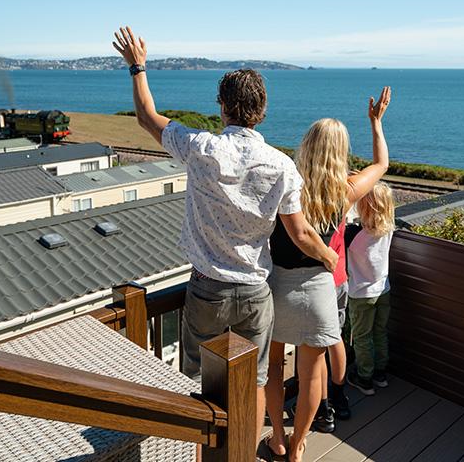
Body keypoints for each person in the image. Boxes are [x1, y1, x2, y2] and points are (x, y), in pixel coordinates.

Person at [112, 26, 338, 454]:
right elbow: (301, 233)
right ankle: (242, 455)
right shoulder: (283, 166)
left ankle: (198, 452)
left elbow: (145, 116)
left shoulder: (200, 147)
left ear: (222, 108)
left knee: (198, 384)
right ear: (263, 111)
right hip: (256, 292)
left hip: (207, 288)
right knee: (253, 382)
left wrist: (138, 66)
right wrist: (328, 257)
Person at [264, 87, 391, 462]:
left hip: (278, 286)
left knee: (271, 367)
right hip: (320, 288)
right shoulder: (345, 190)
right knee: (311, 371)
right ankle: (299, 444)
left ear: (306, 145)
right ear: (340, 152)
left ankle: (277, 436)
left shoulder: (285, 184)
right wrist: (376, 123)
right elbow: (382, 164)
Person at [345, 181, 396, 395]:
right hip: (383, 289)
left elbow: (341, 222)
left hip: (361, 294)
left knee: (362, 337)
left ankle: (364, 377)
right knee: (380, 332)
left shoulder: (354, 234)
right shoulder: (389, 230)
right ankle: (380, 373)